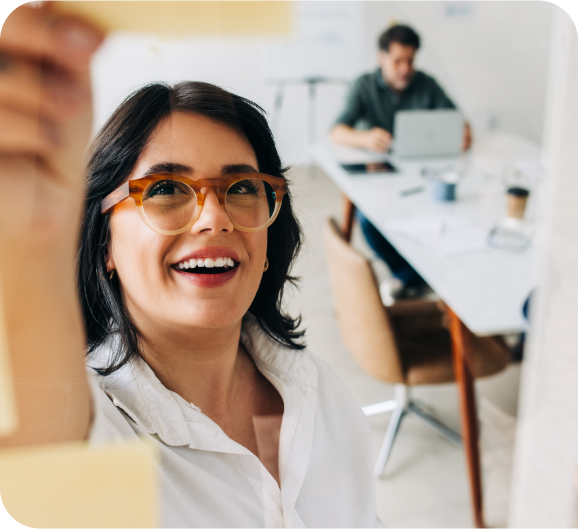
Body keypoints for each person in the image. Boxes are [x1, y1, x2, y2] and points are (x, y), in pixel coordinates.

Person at [0, 5, 383, 529]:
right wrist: (27, 238)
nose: (214, 218)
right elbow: (34, 454)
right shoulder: (92, 427)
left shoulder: (317, 390)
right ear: (103, 243)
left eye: (243, 187)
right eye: (164, 190)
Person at [331, 24, 472, 300]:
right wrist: (364, 138)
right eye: (398, 61)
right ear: (381, 57)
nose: (405, 68)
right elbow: (336, 131)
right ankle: (413, 275)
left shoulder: (426, 84)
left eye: (410, 60)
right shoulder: (363, 85)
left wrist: (463, 134)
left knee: (444, 214)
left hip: (422, 173)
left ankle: (411, 278)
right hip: (381, 176)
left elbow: (458, 122)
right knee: (370, 222)